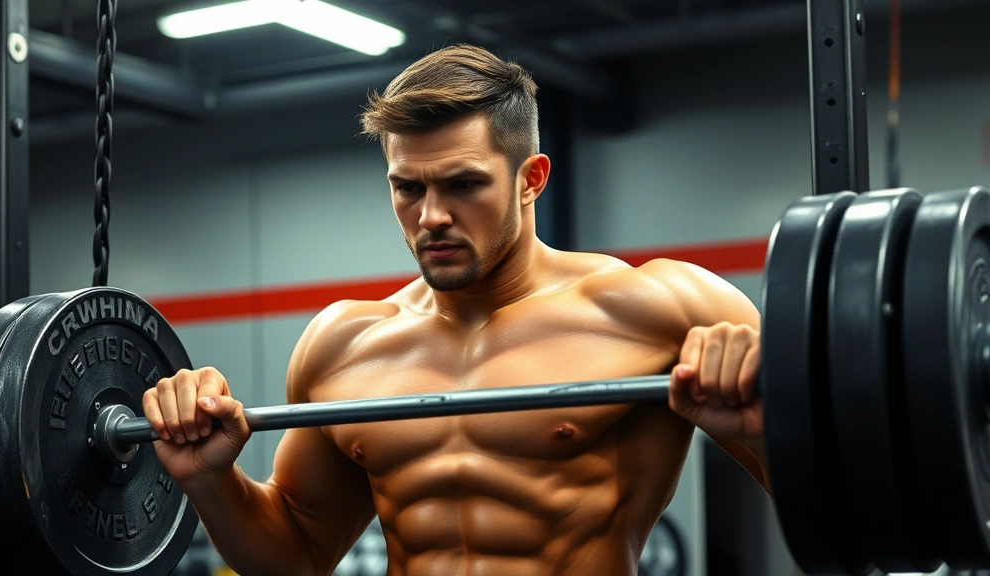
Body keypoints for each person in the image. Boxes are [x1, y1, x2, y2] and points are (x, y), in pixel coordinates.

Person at [143, 44, 768, 576]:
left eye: (463, 184)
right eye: (407, 187)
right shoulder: (343, 345)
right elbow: (299, 554)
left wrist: (760, 428)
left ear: (532, 178)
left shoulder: (662, 309)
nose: (431, 216)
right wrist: (209, 481)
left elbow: (849, 506)